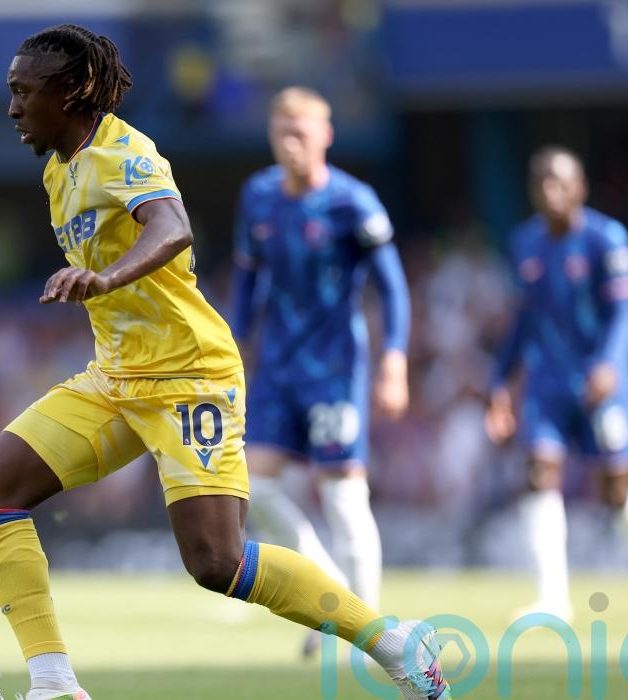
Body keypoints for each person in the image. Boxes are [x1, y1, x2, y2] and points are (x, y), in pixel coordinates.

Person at [0, 25, 450, 700]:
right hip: (116, 376)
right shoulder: (57, 170)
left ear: (69, 92)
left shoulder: (123, 152)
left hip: (188, 376)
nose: (13, 107)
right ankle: (53, 684)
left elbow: (173, 226)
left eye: (24, 92)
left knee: (217, 562)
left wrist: (104, 278)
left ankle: (392, 643)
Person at [228, 87, 410, 654]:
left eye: (301, 133)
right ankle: (333, 598)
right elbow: (246, 285)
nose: (292, 143)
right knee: (252, 489)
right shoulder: (258, 196)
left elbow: (392, 287)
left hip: (335, 368)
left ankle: (371, 630)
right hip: (277, 368)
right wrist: (233, 350)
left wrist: (395, 359)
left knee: (344, 498)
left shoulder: (353, 203)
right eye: (282, 132)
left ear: (325, 136)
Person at [485, 146, 628, 621]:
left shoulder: (607, 238)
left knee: (616, 486)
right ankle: (552, 598)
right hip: (547, 382)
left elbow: (623, 312)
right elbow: (522, 321)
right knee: (538, 474)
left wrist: (609, 364)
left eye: (561, 182)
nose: (552, 191)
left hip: (600, 383)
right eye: (543, 182)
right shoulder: (525, 242)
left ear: (580, 188)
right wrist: (500, 382)